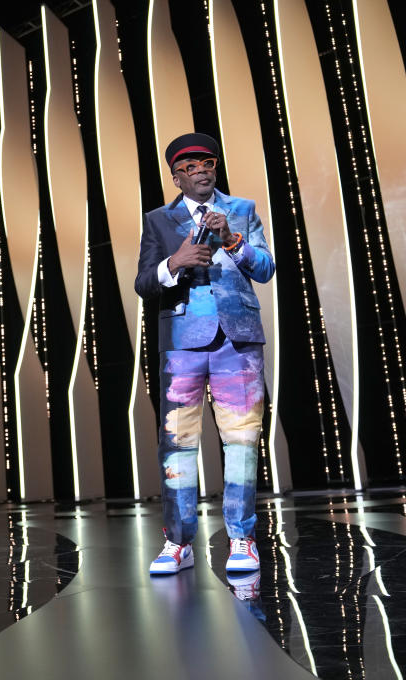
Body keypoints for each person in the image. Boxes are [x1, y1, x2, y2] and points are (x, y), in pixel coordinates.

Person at [134, 133, 275, 575]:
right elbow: (143, 283)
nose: (201, 171)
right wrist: (172, 264)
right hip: (182, 343)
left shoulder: (243, 210)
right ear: (176, 177)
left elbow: (267, 269)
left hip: (238, 339)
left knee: (242, 441)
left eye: (207, 163)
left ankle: (241, 538)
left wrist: (233, 240)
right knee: (177, 444)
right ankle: (178, 542)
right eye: (190, 166)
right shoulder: (158, 220)